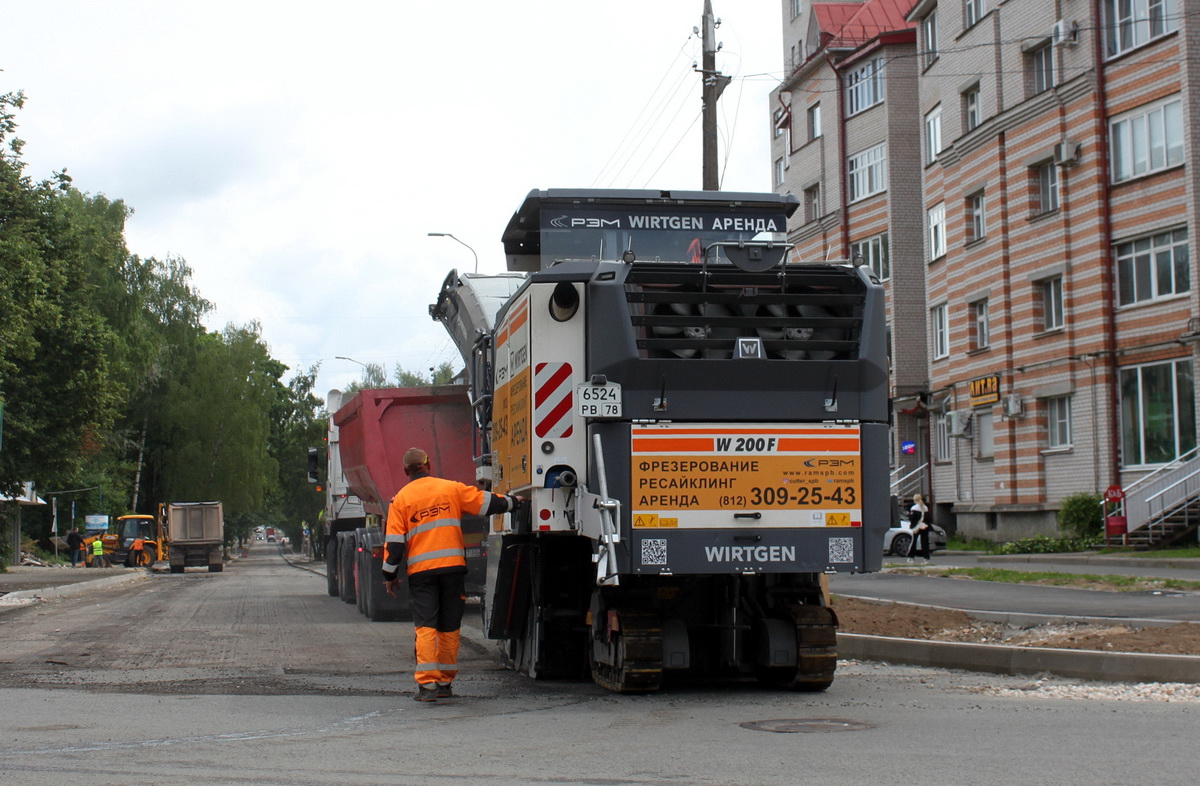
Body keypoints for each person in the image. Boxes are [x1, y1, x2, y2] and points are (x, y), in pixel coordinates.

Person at [382, 447, 522, 702]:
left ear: (406, 471)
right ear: (428, 465)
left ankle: (427, 686)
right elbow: (486, 503)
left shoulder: (400, 500)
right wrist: (514, 503)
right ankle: (445, 682)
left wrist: (389, 575)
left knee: (426, 626)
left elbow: (394, 546)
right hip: (452, 569)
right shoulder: (451, 489)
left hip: (422, 574)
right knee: (449, 626)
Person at [908, 493, 932, 563]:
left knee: (913, 541)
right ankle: (926, 558)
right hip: (924, 526)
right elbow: (928, 518)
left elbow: (912, 519)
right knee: (925, 542)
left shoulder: (914, 508)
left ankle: (911, 557)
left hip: (917, 527)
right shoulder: (925, 508)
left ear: (915, 500)